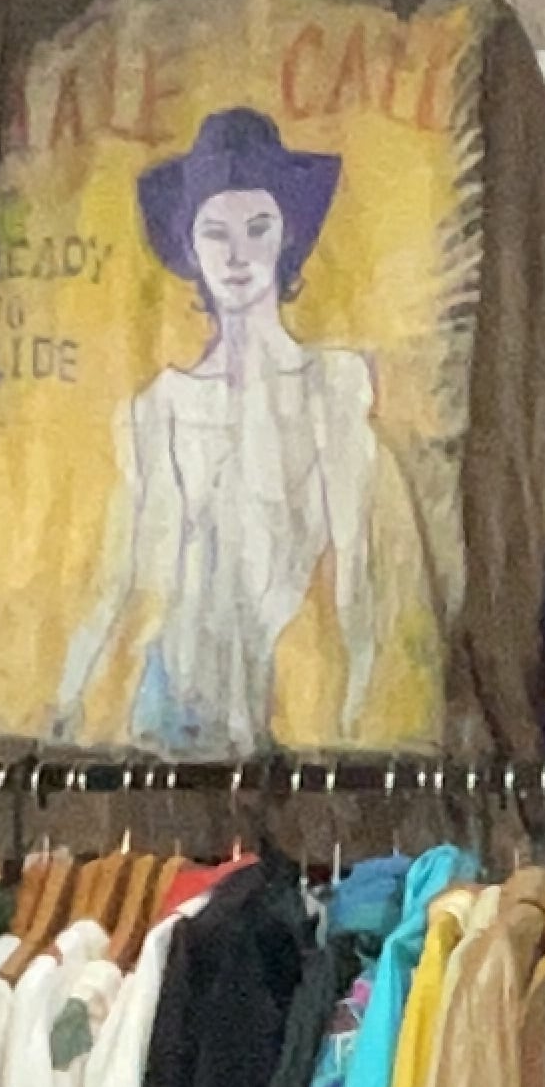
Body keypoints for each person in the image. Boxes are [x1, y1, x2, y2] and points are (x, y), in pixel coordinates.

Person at [59, 106, 383, 753]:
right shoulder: (159, 407)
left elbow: (357, 559)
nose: (237, 255)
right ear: (190, 247)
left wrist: (357, 703)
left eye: (258, 228)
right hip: (174, 709)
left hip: (295, 708)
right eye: (216, 233)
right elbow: (120, 575)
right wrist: (66, 702)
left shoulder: (333, 385)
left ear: (287, 237)